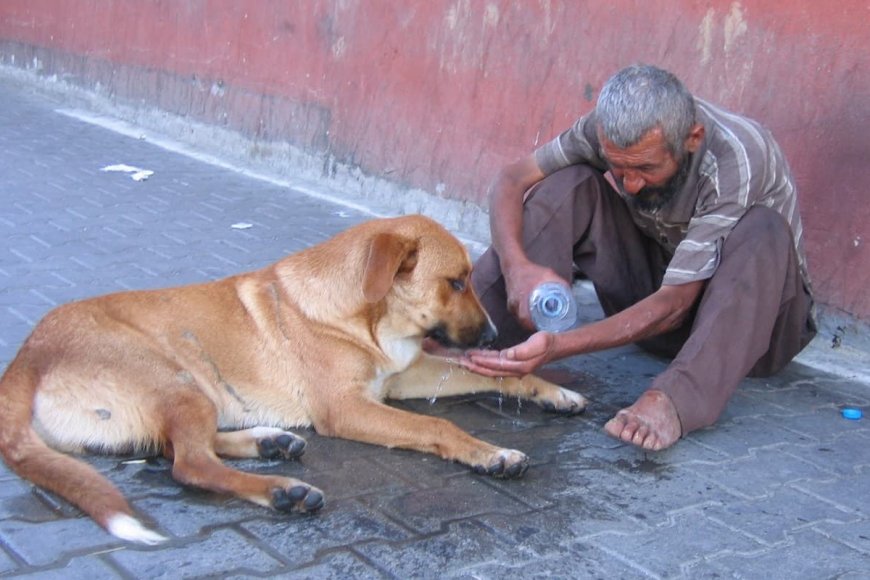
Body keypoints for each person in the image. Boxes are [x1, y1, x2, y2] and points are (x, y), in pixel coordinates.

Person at [458, 64, 816, 451]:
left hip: (754, 337)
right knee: (570, 183)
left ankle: (673, 401)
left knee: (764, 229)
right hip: (655, 310)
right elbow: (512, 179)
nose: (630, 184)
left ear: (693, 138)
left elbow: (676, 304)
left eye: (646, 168)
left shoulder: (737, 158)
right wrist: (517, 269)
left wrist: (561, 345)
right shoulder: (608, 129)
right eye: (619, 168)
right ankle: (474, 340)